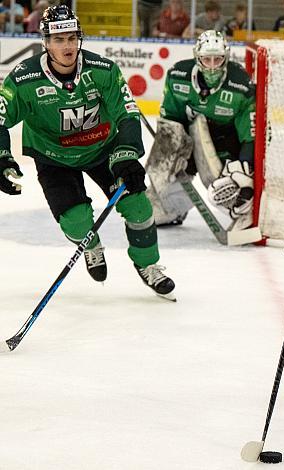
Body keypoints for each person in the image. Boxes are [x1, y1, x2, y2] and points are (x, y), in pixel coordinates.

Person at [0, 5, 176, 300]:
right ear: (45, 42)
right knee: (76, 221)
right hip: (52, 157)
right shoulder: (23, 79)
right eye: (59, 40)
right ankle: (90, 244)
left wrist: (128, 154)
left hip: (101, 150)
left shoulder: (103, 70)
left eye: (71, 38)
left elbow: (128, 114)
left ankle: (149, 265)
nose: (67, 46)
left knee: (138, 206)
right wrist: (2, 156)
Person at [145, 30, 256, 230]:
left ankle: (245, 210)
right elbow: (170, 121)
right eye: (207, 59)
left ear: (226, 58)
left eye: (218, 59)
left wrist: (244, 166)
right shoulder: (178, 76)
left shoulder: (241, 85)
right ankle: (174, 209)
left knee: (226, 187)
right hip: (189, 138)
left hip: (225, 144)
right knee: (159, 185)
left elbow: (250, 135)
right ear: (197, 58)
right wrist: (171, 152)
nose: (212, 66)